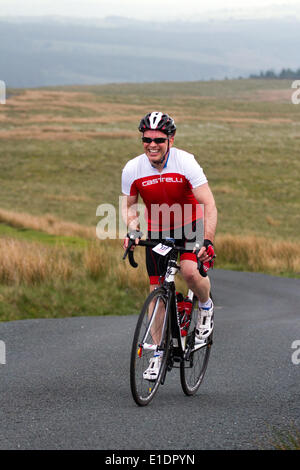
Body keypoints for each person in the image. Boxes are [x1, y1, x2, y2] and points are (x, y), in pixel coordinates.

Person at [122, 111, 217, 380]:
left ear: (170, 140)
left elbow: (208, 203)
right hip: (158, 229)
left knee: (189, 271)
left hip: (191, 226)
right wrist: (132, 230)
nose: (152, 144)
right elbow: (129, 206)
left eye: (159, 139)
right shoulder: (132, 168)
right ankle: (158, 354)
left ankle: (206, 306)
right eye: (146, 138)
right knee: (156, 289)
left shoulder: (186, 162)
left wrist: (207, 239)